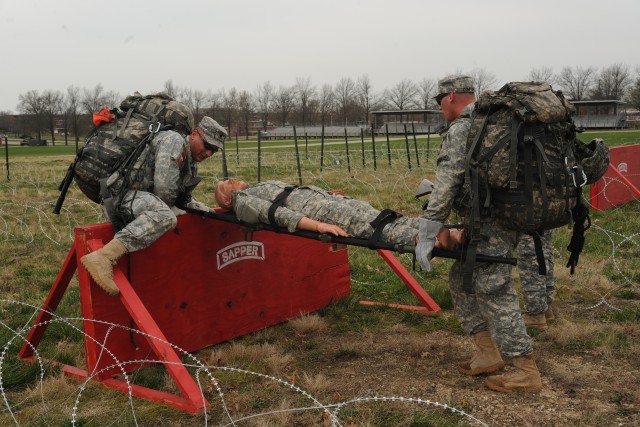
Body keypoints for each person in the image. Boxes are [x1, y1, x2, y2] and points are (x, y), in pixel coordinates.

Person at [415, 75, 542, 393]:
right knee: (462, 279)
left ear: (452, 96)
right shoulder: (494, 122)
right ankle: (488, 354)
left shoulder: (465, 127)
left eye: (439, 100)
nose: (440, 106)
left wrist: (429, 230)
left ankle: (526, 371)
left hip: (493, 221)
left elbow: (448, 180)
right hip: (499, 216)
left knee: (495, 290)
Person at [81, 116, 227, 297]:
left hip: (139, 197)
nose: (208, 153)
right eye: (207, 146)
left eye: (214, 150)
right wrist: (174, 208)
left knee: (167, 213)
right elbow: (165, 190)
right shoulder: (173, 140)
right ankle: (104, 257)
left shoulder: (190, 161)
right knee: (165, 215)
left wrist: (205, 211)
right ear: (194, 134)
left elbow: (182, 198)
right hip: (122, 196)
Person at [213, 179, 464, 248]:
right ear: (226, 199)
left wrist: (333, 196)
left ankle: (449, 232)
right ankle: (431, 239)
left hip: (328, 201)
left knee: (385, 216)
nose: (232, 180)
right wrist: (319, 227)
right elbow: (278, 214)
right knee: (378, 228)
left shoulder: (255, 187)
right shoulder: (243, 200)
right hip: (320, 211)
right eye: (227, 184)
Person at [517, 230, 556, 332]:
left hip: (530, 217)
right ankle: (545, 307)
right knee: (543, 249)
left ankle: (535, 315)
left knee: (530, 253)